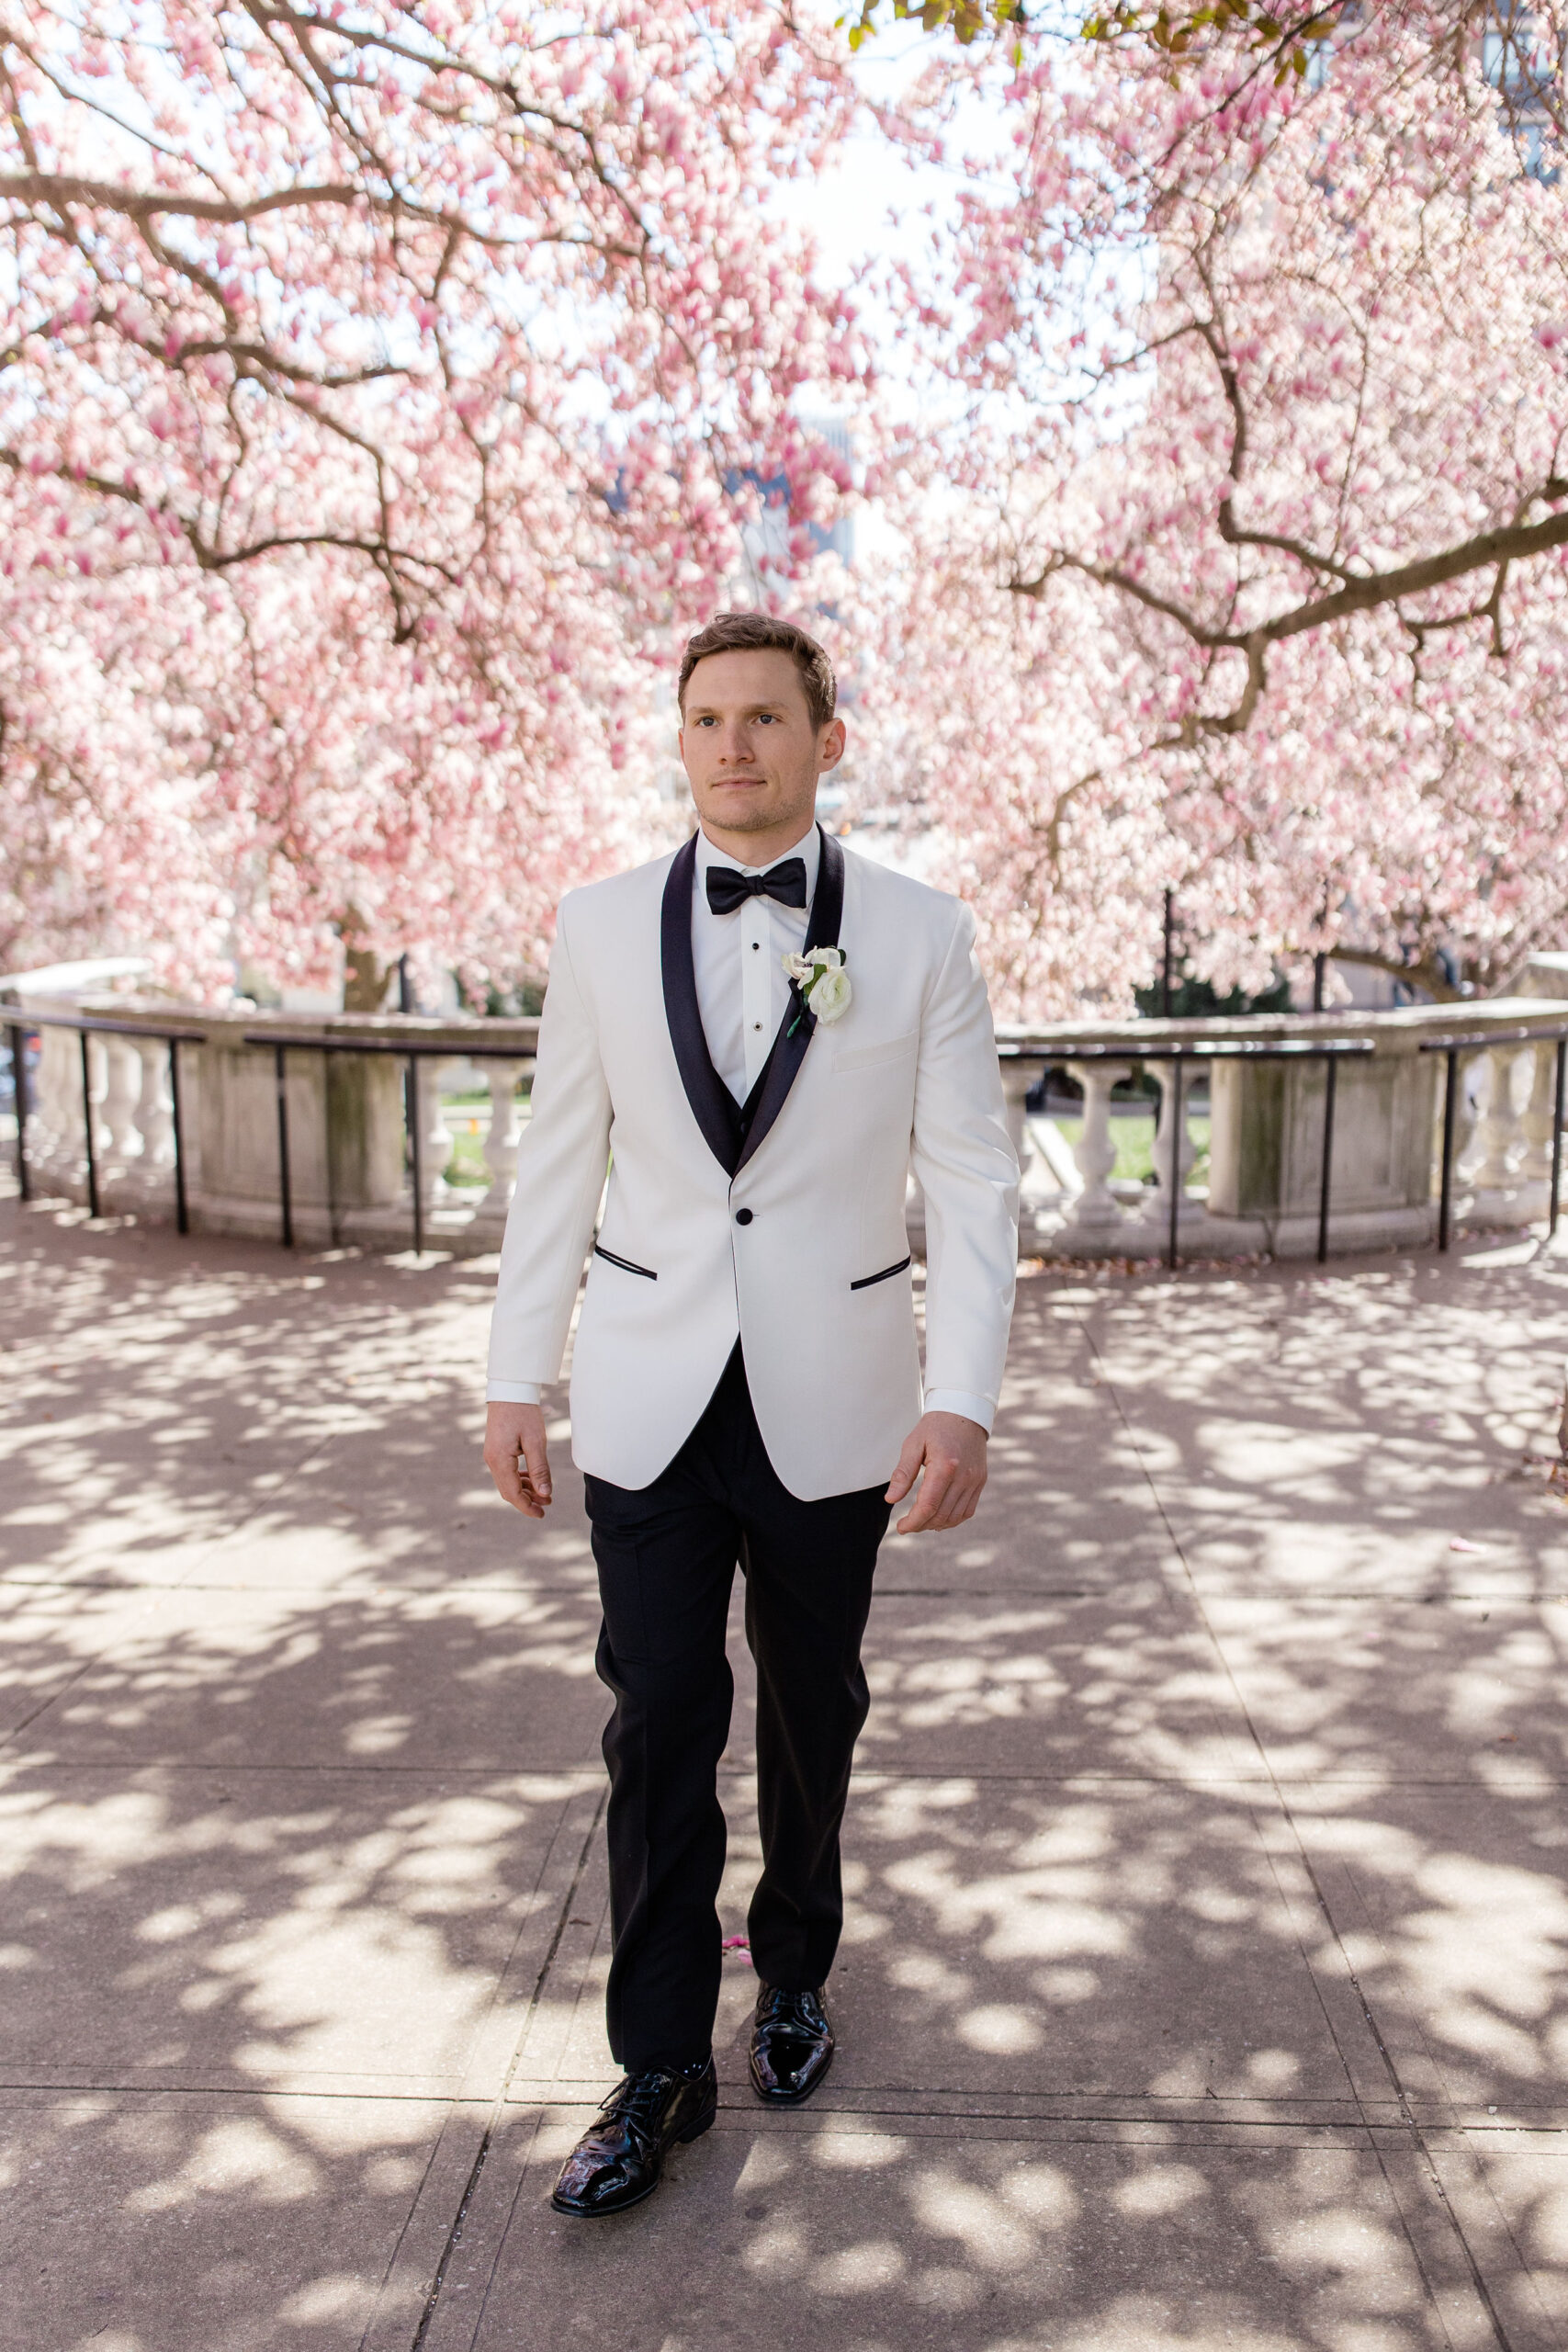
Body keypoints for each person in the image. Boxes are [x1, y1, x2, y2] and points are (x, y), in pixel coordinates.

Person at [482, 610, 1019, 2217]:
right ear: (682, 736)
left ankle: (794, 1965)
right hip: (647, 1394)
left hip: (836, 1394)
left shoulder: (922, 937)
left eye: (766, 719)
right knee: (654, 1725)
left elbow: (977, 1187)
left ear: (824, 739)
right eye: (707, 718)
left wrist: (964, 1399)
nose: (733, 745)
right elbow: (554, 1166)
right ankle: (656, 2070)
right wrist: (518, 1372)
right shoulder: (592, 928)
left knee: (810, 1714)